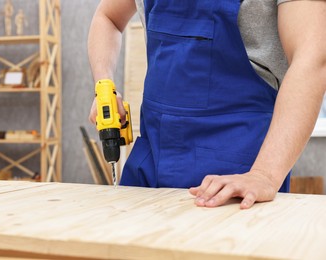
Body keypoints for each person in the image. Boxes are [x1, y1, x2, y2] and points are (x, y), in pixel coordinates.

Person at [88, 0, 326, 209]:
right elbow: (107, 17)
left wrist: (265, 175)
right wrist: (104, 86)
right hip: (150, 164)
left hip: (239, 172)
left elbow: (312, 58)